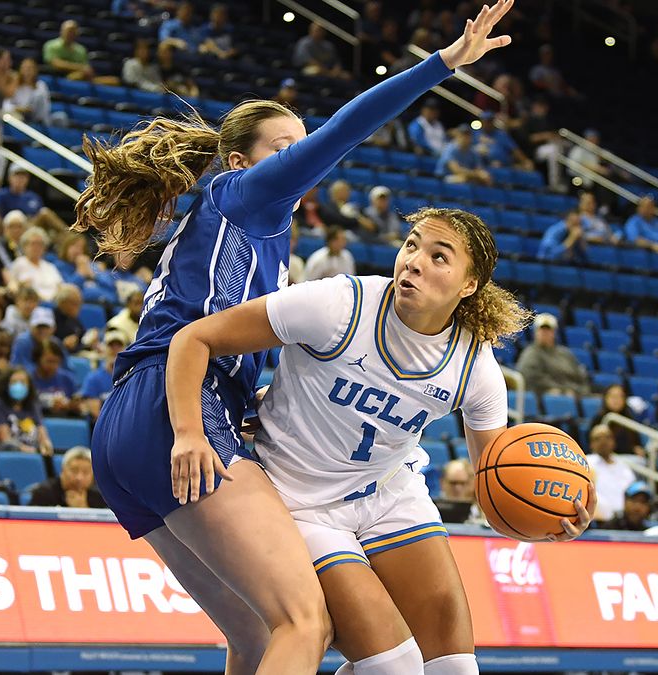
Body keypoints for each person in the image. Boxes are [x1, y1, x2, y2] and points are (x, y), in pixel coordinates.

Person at [77, 8, 511, 670]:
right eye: (286, 145)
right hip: (178, 402)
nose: (300, 153)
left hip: (129, 423)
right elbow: (347, 130)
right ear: (239, 159)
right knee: (304, 621)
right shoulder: (245, 197)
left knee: (256, 632)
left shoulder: (265, 237)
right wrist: (442, 64)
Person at [139, 201, 591, 674]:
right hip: (303, 504)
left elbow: (493, 483)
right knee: (394, 668)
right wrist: (189, 431)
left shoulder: (475, 367)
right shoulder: (338, 305)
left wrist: (551, 518)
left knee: (456, 669)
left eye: (440, 256)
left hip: (389, 495)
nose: (414, 260)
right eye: (411, 245)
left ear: (469, 285)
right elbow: (194, 338)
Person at [515, 312, 589, 396]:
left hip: (574, 395)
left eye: (548, 330)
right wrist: (562, 391)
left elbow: (581, 377)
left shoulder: (566, 353)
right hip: (550, 397)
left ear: (554, 333)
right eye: (542, 330)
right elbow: (531, 377)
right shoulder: (530, 353)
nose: (545, 333)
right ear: (536, 332)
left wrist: (579, 391)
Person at [0, 366, 53, 456]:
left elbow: (42, 433)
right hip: (10, 455)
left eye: (23, 382)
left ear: (29, 386)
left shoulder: (33, 405)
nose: (18, 386)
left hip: (34, 456)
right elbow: (5, 439)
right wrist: (29, 450)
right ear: (6, 385)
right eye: (14, 382)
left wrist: (46, 445)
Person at [42, 20, 120, 85]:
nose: (70, 34)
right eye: (68, 31)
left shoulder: (81, 49)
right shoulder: (51, 45)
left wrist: (84, 71)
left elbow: (86, 69)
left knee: (114, 81)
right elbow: (56, 64)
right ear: (61, 31)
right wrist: (80, 67)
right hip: (57, 77)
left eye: (73, 32)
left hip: (78, 77)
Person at [585, 423, 635, 521]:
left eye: (607, 437)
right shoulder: (586, 462)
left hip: (624, 519)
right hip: (598, 519)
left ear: (614, 441)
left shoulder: (624, 466)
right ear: (591, 444)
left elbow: (632, 493)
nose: (603, 441)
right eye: (598, 438)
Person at [28, 446, 107, 508]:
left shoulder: (101, 497)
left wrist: (83, 508)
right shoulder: (44, 493)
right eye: (74, 471)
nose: (79, 477)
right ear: (63, 470)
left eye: (86, 472)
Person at [590, 383, 646, 457]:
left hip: (628, 459)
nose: (616, 400)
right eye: (613, 396)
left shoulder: (630, 419)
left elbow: (636, 445)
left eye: (620, 396)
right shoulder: (598, 419)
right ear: (605, 398)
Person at [8, 227, 63, 302]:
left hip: (55, 303)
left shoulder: (50, 266)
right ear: (25, 246)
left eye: (40, 244)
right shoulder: (19, 263)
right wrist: (20, 285)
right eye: (33, 243)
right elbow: (12, 284)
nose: (36, 247)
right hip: (33, 304)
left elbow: (60, 286)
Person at [4, 58, 53, 125]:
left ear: (35, 70)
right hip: (19, 114)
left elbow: (46, 106)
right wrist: (18, 108)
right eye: (24, 68)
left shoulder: (41, 85)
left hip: (37, 116)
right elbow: (5, 104)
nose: (27, 71)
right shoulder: (15, 84)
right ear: (20, 69)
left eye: (30, 68)